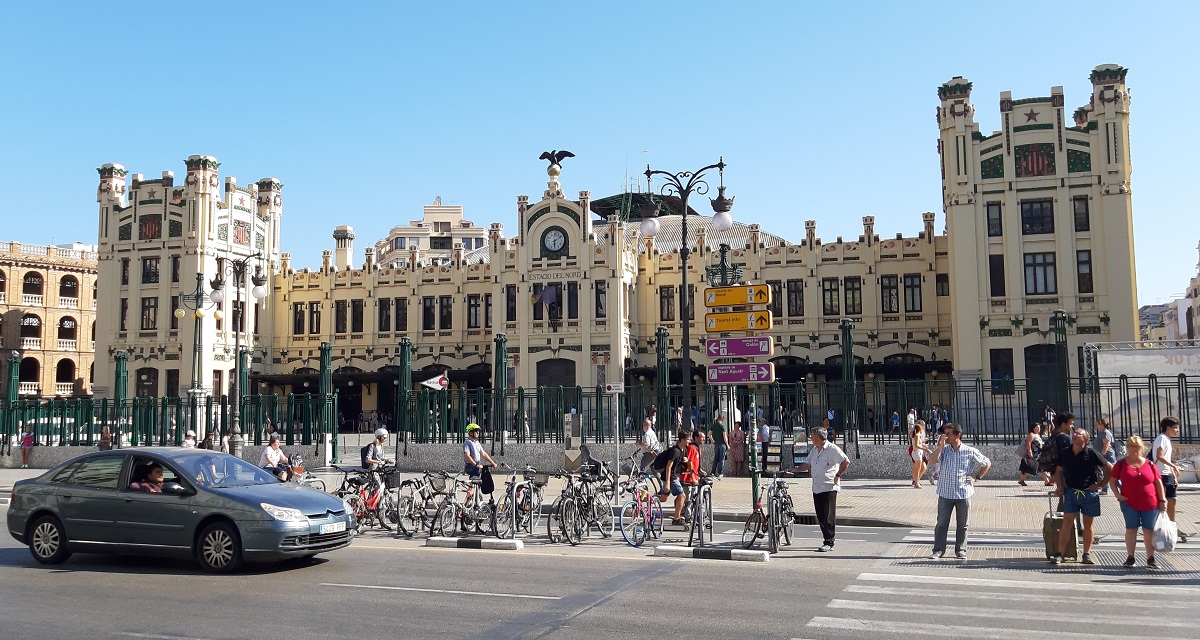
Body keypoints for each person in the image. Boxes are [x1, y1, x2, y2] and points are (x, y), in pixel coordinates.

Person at [927, 423, 991, 559]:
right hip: (946, 492)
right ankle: (938, 550)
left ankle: (961, 550)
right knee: (942, 523)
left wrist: (976, 477)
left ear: (958, 435)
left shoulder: (969, 451)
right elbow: (931, 461)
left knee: (963, 524)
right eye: (945, 433)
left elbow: (987, 463)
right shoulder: (944, 450)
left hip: (963, 492)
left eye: (949, 434)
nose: (946, 436)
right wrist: (939, 447)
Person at [1051, 428, 1112, 565]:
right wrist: (1060, 486)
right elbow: (1058, 471)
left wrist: (1101, 484)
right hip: (1071, 491)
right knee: (1067, 521)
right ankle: (1060, 553)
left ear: (1084, 439)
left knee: (1088, 523)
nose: (1074, 435)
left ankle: (1086, 553)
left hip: (1088, 493)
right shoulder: (1065, 452)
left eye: (1078, 434)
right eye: (1074, 433)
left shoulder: (1091, 453)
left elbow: (1110, 468)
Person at [1110, 434, 1167, 568]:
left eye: (1137, 446)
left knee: (1148, 530)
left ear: (1141, 448)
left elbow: (1158, 482)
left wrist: (1162, 500)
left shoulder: (1149, 464)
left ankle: (1150, 558)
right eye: (1131, 446)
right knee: (1131, 529)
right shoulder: (1121, 464)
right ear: (1127, 447)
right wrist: (1117, 495)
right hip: (1129, 503)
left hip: (1150, 503)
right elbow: (1112, 481)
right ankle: (1130, 557)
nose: (1134, 449)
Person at [808, 427, 850, 552]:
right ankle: (827, 539)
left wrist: (837, 476)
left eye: (812, 436)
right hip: (816, 487)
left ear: (818, 437)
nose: (811, 438)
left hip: (829, 487)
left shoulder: (832, 449)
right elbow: (807, 464)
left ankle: (829, 541)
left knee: (828, 516)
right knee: (820, 515)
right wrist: (794, 470)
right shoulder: (815, 450)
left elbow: (846, 461)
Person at [1153, 416, 1187, 543]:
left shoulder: (1166, 439)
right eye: (1175, 428)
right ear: (1168, 428)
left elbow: (1166, 459)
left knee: (1172, 500)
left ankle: (1172, 525)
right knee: (1165, 501)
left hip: (1167, 474)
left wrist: (1173, 474)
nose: (1177, 430)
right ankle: (1165, 526)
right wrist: (1173, 466)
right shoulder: (1161, 438)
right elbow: (1159, 456)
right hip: (1161, 475)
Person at [658, 430, 691, 526]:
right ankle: (677, 518)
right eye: (688, 439)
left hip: (673, 476)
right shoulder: (675, 451)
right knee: (682, 495)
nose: (689, 441)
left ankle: (647, 498)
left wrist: (686, 461)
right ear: (682, 440)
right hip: (669, 477)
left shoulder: (683, 450)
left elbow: (682, 465)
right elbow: (668, 467)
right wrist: (668, 483)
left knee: (663, 498)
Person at [1093, 417, 1116, 494]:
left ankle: (1123, 487)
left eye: (1098, 424)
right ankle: (1105, 489)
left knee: (1112, 473)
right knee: (1105, 473)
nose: (1096, 425)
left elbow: (1106, 445)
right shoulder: (1101, 433)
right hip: (1103, 456)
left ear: (1102, 424)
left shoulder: (1105, 433)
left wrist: (1101, 456)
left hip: (1107, 456)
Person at [910, 420, 929, 488]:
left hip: (918, 452)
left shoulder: (916, 435)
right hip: (917, 452)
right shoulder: (917, 435)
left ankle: (916, 481)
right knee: (917, 469)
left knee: (920, 468)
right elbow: (916, 446)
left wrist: (923, 444)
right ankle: (916, 483)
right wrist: (924, 449)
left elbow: (918, 444)